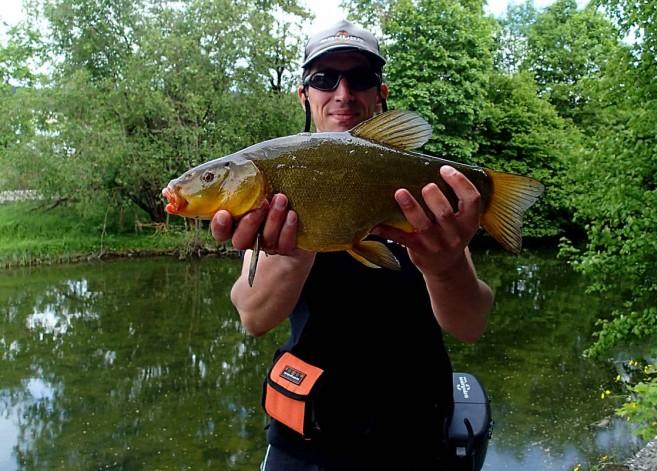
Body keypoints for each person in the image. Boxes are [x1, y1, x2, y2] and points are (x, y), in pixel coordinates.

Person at [210, 19, 493, 471]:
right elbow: (253, 316)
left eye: (359, 78)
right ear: (304, 94)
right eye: (324, 79)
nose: (343, 93)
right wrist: (297, 243)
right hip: (307, 441)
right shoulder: (275, 183)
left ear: (380, 94)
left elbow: (471, 324)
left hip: (415, 440)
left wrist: (444, 266)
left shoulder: (412, 190)